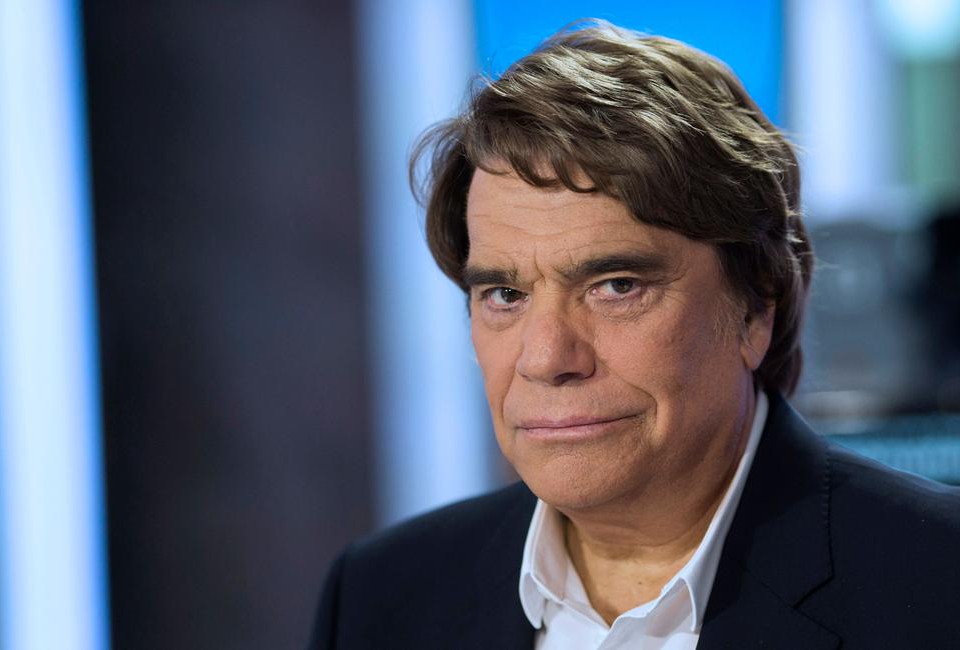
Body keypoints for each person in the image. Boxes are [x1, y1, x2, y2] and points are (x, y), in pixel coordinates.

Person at [310, 20, 960, 649]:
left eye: (616, 286)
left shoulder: (938, 582)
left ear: (755, 307)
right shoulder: (380, 597)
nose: (546, 358)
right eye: (504, 295)